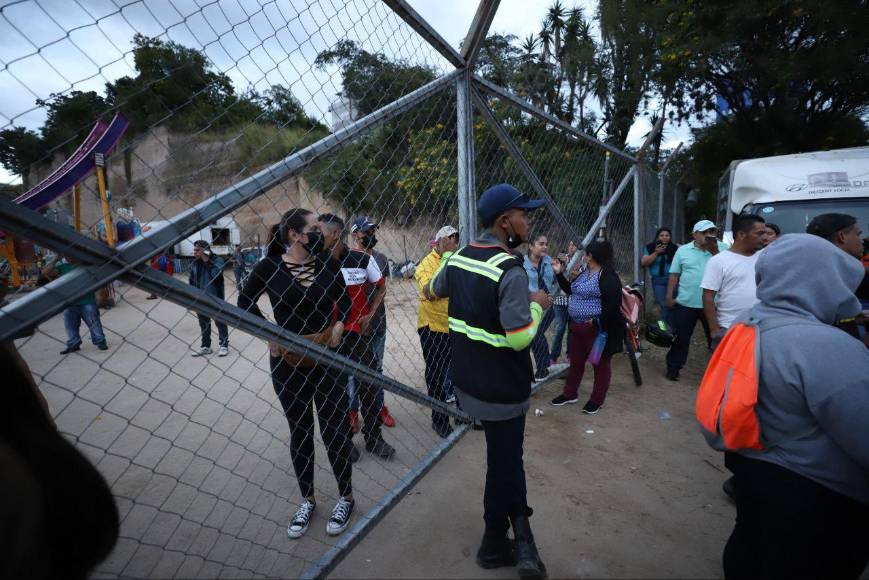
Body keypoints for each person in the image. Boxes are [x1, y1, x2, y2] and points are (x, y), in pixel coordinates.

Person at [719, 234, 869, 579]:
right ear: (824, 281)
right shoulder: (828, 347)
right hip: (817, 499)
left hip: (752, 468)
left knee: (749, 553)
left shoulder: (747, 323)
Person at [427, 183, 551, 579]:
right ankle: (495, 544)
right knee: (505, 463)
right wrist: (537, 304)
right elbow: (518, 337)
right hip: (502, 389)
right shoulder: (509, 269)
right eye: (523, 214)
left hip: (469, 384)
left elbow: (432, 291)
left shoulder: (460, 255)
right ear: (504, 222)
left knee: (503, 460)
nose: (528, 220)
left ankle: (513, 535)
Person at [238, 209, 357, 539]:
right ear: (295, 234)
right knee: (301, 430)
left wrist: (339, 324)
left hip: (326, 357)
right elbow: (244, 302)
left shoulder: (328, 264)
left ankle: (346, 496)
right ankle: (308, 499)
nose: (323, 233)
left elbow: (344, 301)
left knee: (334, 430)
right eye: (315, 228)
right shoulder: (270, 267)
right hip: (288, 362)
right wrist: (268, 333)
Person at [320, 215, 396, 459]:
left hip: (358, 335)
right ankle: (344, 441)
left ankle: (374, 438)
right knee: (337, 390)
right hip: (331, 337)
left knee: (369, 385)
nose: (312, 236)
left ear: (334, 234)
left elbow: (381, 287)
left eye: (318, 231)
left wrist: (370, 315)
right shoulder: (318, 263)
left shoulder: (362, 259)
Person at [549, 240, 625, 414]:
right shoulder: (585, 273)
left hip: (597, 332)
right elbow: (571, 291)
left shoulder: (607, 276)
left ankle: (596, 400)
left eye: (586, 253)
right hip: (577, 329)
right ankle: (570, 394)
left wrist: (597, 321)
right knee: (575, 363)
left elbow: (613, 304)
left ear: (592, 256)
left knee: (600, 365)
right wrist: (559, 274)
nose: (583, 256)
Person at [664, 220, 729, 381]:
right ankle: (673, 368)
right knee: (681, 338)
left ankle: (717, 375)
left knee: (716, 339)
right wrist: (669, 296)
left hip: (713, 305)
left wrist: (714, 251)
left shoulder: (723, 249)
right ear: (694, 234)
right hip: (686, 303)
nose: (708, 235)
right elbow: (674, 274)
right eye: (704, 232)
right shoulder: (683, 251)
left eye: (711, 232)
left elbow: (730, 269)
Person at [348, 216, 396, 429]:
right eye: (367, 232)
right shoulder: (346, 258)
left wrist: (372, 315)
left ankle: (379, 407)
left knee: (376, 369)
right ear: (355, 234)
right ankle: (352, 411)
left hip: (377, 324)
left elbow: (381, 290)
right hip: (353, 327)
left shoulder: (381, 259)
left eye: (373, 232)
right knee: (352, 372)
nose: (371, 236)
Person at [415, 225, 459, 438]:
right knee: (436, 375)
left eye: (455, 240)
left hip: (455, 326)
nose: (454, 244)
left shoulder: (457, 260)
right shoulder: (425, 264)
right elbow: (430, 292)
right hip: (432, 327)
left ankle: (462, 414)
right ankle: (439, 420)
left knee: (461, 373)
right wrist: (447, 257)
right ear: (439, 243)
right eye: (449, 240)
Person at [701, 215, 766, 349]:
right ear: (742, 234)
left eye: (765, 233)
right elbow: (708, 297)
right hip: (730, 328)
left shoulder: (765, 257)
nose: (764, 238)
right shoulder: (718, 261)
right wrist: (714, 330)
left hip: (761, 328)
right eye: (759, 233)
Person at [806, 213, 869, 344]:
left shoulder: (798, 273)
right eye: (858, 234)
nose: (862, 240)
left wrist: (852, 317)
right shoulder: (856, 274)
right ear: (842, 236)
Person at [41, 255, 109, 354]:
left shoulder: (85, 267)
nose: (69, 257)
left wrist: (99, 295)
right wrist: (56, 259)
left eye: (70, 255)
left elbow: (96, 281)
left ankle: (100, 341)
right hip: (69, 302)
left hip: (87, 300)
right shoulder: (63, 267)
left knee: (93, 322)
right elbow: (45, 272)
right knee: (70, 326)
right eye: (66, 255)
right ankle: (74, 343)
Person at [523, 234, 557, 381]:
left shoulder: (549, 262)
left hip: (548, 306)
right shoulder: (522, 264)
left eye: (546, 244)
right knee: (533, 335)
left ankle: (542, 368)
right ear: (531, 246)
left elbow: (556, 280)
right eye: (541, 243)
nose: (545, 247)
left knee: (536, 334)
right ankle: (541, 368)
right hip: (530, 306)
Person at [189, 240, 229, 357]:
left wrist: (206, 260)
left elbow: (216, 274)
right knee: (204, 323)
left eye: (198, 250)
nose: (195, 252)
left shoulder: (217, 260)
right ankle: (206, 346)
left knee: (220, 321)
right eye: (194, 250)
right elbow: (191, 279)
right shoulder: (195, 263)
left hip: (215, 298)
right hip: (199, 298)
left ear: (205, 250)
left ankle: (223, 345)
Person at [641, 227, 678, 325]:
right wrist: (656, 253)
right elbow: (644, 262)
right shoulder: (650, 247)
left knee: (672, 305)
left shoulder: (675, 248)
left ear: (670, 237)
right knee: (664, 305)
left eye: (667, 235)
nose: (664, 237)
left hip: (672, 280)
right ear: (657, 237)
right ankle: (664, 328)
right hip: (658, 281)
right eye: (662, 235)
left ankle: (670, 328)